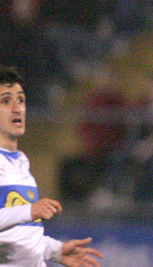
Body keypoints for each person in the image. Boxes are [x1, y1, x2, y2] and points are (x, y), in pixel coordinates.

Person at [0, 65, 103, 267]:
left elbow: (17, 237)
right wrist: (28, 211)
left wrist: (55, 250)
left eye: (20, 100)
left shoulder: (21, 161)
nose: (17, 108)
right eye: (5, 101)